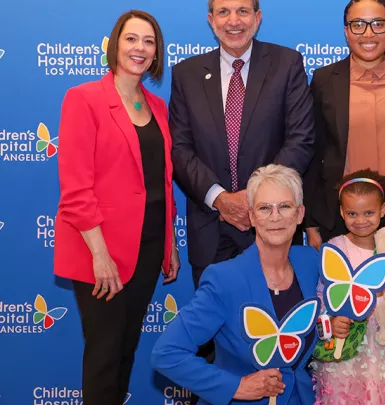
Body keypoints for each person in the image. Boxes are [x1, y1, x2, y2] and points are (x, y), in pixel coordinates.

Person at [170, 1, 314, 396]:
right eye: (223, 12)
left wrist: (255, 201)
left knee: (277, 342)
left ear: (258, 18)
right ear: (210, 20)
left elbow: (301, 139)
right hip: (210, 226)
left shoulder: (286, 64)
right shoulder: (185, 73)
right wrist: (220, 199)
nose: (234, 21)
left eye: (243, 11)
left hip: (270, 227)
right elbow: (180, 150)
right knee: (209, 343)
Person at [53, 10, 180, 405]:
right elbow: (76, 188)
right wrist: (101, 255)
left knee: (126, 349)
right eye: (131, 39)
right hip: (99, 252)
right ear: (114, 44)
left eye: (148, 41)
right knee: (105, 355)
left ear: (157, 52)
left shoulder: (157, 106)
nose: (139, 48)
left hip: (146, 247)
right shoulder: (84, 99)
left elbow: (160, 180)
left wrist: (169, 244)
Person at [152, 164, 319, 405]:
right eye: (264, 208)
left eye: (285, 206)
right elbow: (167, 353)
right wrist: (237, 386)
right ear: (251, 216)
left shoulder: (311, 263)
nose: (275, 217)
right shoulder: (225, 279)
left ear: (300, 213)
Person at [303, 0, 385, 249]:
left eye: (378, 24)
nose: (368, 34)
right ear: (346, 30)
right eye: (358, 25)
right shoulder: (324, 80)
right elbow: (314, 153)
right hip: (344, 214)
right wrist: (311, 220)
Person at [310, 169, 385, 405]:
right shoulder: (334, 248)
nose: (361, 220)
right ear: (342, 212)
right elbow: (321, 295)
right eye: (352, 213)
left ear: (383, 210)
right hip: (345, 350)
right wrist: (330, 322)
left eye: (369, 212)